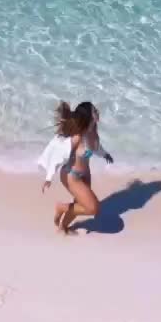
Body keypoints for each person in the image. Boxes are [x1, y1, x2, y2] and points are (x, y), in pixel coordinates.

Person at [49, 99, 113, 234]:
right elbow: (59, 154)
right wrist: (49, 177)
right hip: (71, 175)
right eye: (95, 111)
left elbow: (96, 147)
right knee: (93, 208)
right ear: (89, 116)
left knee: (80, 204)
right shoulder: (77, 137)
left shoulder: (93, 129)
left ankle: (63, 227)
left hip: (85, 173)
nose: (98, 112)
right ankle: (61, 207)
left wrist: (104, 154)